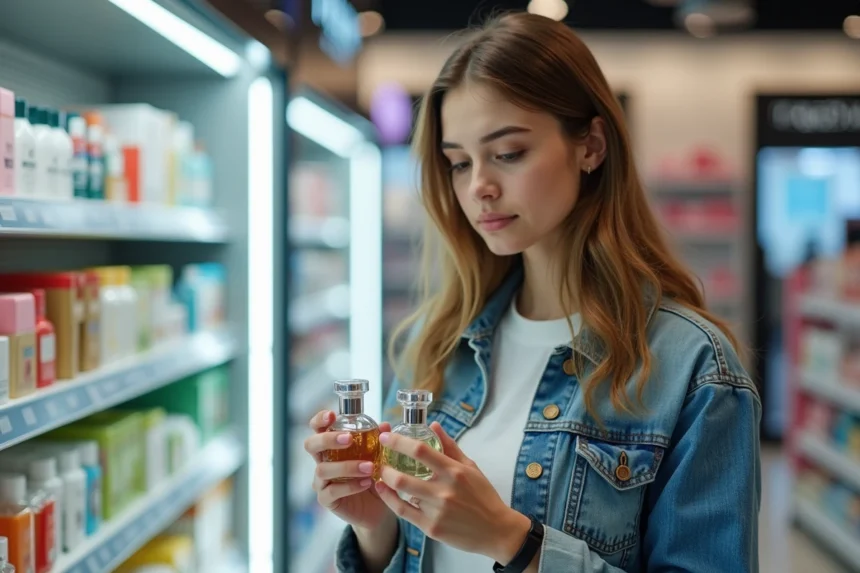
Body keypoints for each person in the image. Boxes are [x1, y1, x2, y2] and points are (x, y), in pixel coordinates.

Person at [304, 11, 760, 573]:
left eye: (509, 153)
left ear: (590, 145)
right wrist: (375, 528)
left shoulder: (691, 367)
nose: (479, 188)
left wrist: (513, 541)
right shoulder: (434, 344)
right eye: (458, 162)